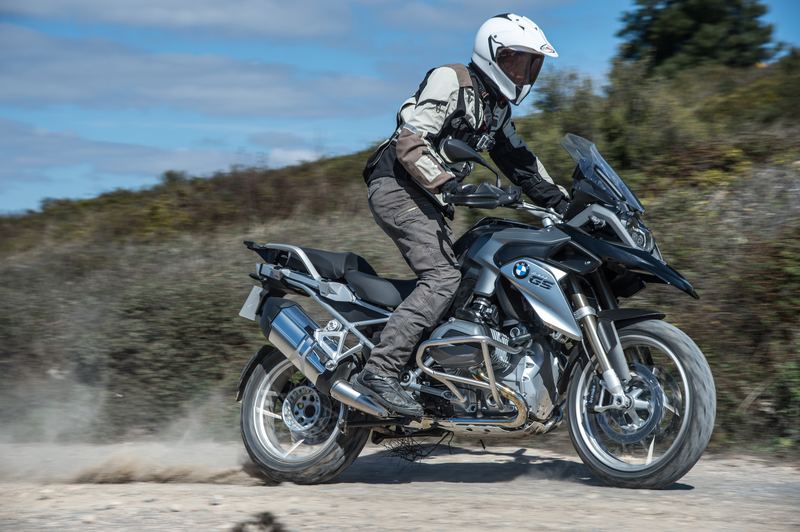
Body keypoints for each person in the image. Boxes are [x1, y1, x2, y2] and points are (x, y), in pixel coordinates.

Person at [352, 13, 570, 417]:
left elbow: (520, 163)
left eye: (529, 65)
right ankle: (379, 371)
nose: (522, 73)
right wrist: (447, 184)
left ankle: (435, 377)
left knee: (469, 277)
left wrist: (565, 203)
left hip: (429, 198)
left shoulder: (497, 109)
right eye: (515, 62)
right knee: (444, 276)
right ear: (492, 55)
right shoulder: (452, 80)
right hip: (397, 186)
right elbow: (411, 139)